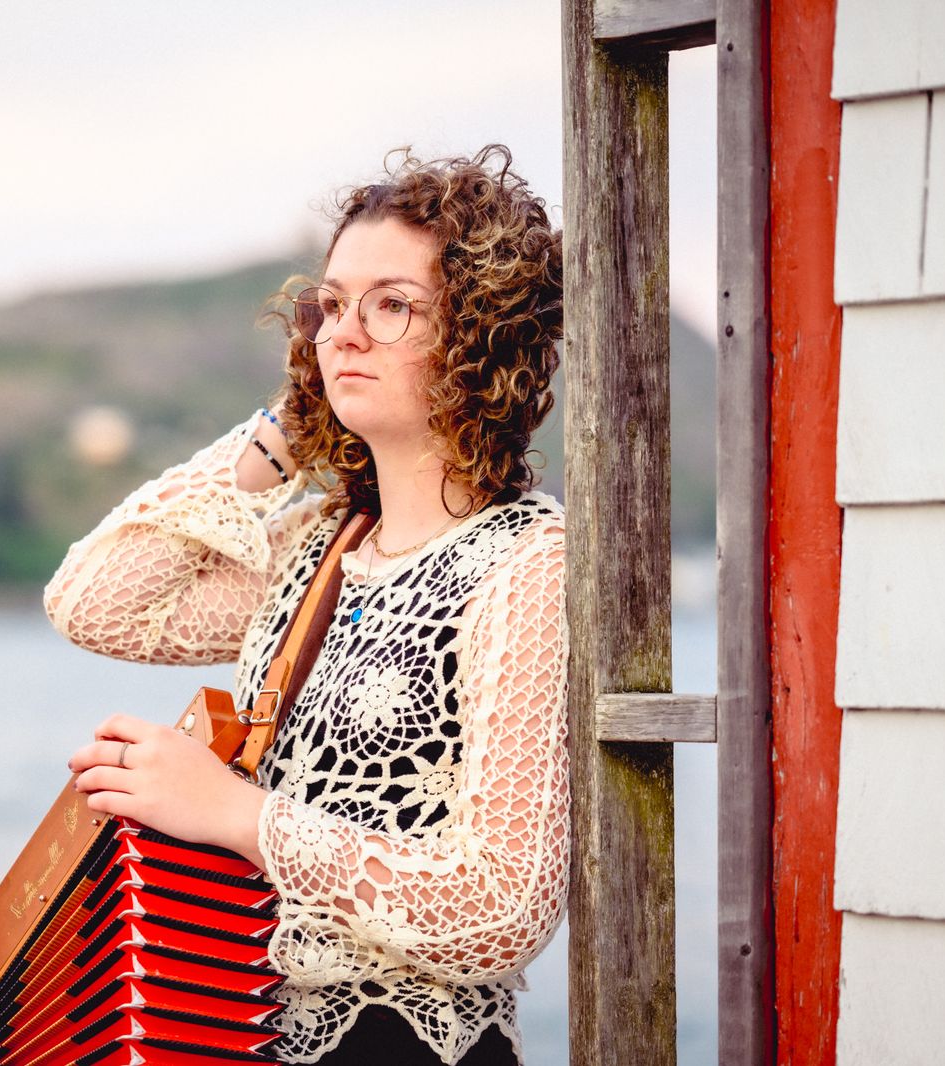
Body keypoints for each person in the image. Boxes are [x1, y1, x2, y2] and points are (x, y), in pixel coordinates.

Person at [50, 144, 568, 1066]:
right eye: (330, 305)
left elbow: (501, 909)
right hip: (239, 1036)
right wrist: (283, 430)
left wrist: (233, 814)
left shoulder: (529, 561)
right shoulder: (315, 549)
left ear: (482, 336)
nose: (343, 335)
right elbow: (95, 603)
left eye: (391, 304)